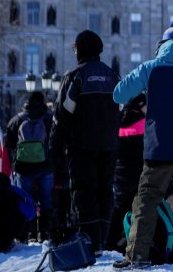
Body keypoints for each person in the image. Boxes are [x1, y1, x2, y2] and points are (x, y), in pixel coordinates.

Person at [112, 18, 173, 269]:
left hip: (161, 146)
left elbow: (119, 94)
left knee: (147, 197)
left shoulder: (152, 67)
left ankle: (137, 255)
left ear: (162, 44)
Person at [52, 29, 121, 251]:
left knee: (84, 193)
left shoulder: (74, 77)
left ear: (80, 51)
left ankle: (90, 243)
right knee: (105, 192)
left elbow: (61, 117)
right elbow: (120, 111)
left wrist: (55, 149)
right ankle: (103, 241)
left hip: (81, 147)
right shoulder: (113, 77)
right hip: (109, 147)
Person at [4, 90, 54, 241]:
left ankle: (26, 233)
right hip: (45, 167)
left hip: (23, 168)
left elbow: (9, 145)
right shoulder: (49, 119)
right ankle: (44, 233)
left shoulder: (16, 120)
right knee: (46, 201)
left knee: (24, 200)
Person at [106, 93, 147, 253]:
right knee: (137, 209)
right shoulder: (144, 122)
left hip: (120, 171)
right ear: (141, 104)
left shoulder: (118, 119)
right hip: (138, 171)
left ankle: (110, 242)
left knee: (118, 209)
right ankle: (129, 243)